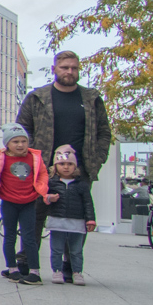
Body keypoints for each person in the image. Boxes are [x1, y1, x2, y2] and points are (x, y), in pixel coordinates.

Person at [15, 51, 112, 233]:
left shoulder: (92, 99)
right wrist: (32, 158)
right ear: (54, 69)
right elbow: (22, 131)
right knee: (33, 220)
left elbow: (104, 132)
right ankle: (27, 259)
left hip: (79, 172)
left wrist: (97, 159)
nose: (70, 71)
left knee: (75, 226)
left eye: (74, 68)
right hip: (42, 171)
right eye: (65, 67)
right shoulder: (37, 97)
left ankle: (70, 262)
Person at [0, 124, 49, 285]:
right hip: (9, 203)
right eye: (15, 141)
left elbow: (43, 174)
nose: (20, 145)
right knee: (9, 236)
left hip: (28, 203)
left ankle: (34, 272)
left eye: (24, 141)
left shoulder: (35, 158)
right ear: (7, 144)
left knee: (29, 238)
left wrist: (41, 189)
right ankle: (12, 269)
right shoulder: (0, 158)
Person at [46, 145, 94, 285]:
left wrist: (90, 220)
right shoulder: (51, 183)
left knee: (76, 250)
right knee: (56, 249)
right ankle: (56, 271)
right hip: (57, 221)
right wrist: (49, 198)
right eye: (61, 164)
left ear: (75, 166)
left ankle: (77, 272)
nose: (65, 167)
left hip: (76, 222)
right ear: (55, 166)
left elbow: (88, 203)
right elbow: (42, 198)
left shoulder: (82, 185)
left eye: (69, 164)